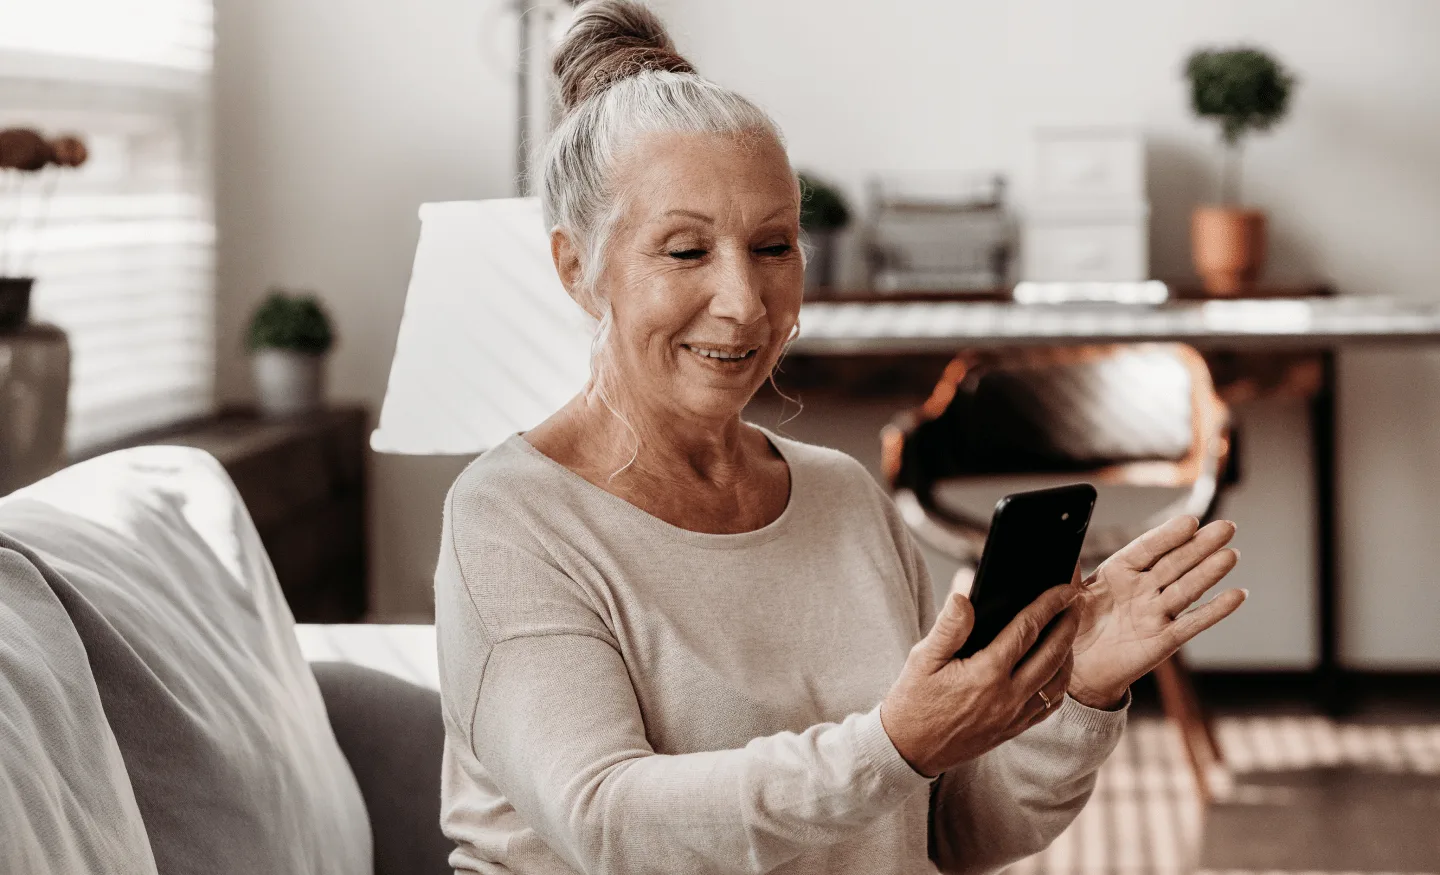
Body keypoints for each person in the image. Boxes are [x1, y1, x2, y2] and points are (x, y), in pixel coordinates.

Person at [434, 2, 1246, 873]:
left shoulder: (845, 500)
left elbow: (946, 829)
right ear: (575, 268)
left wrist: (1081, 691)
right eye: (685, 251)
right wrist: (894, 742)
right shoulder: (511, 521)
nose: (746, 302)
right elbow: (608, 822)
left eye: (774, 246)